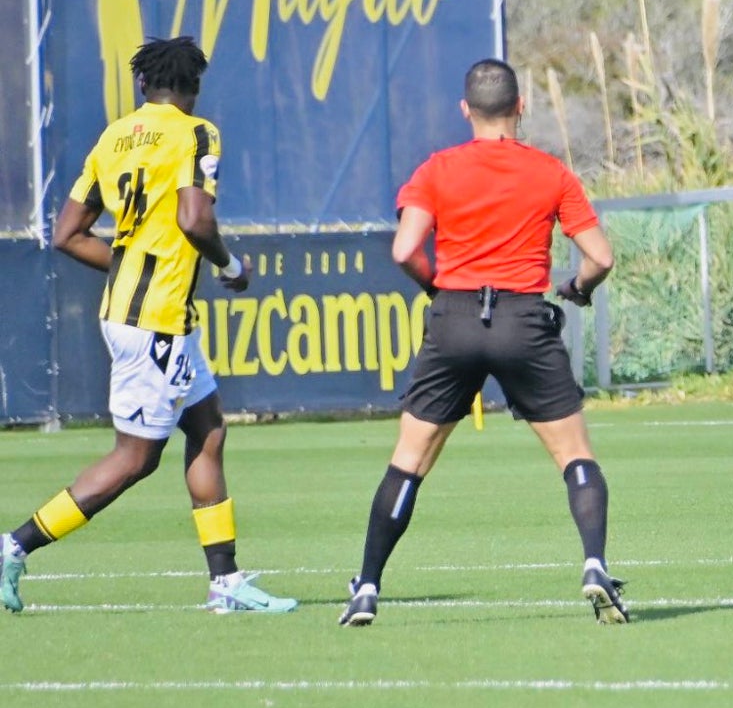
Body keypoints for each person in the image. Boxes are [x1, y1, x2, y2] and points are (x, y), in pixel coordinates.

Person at [0, 37, 296, 614]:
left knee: (208, 428)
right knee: (135, 458)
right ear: (195, 87)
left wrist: (132, 262)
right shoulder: (196, 132)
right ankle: (15, 545)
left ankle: (226, 583)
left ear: (142, 85)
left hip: (133, 311)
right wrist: (232, 267)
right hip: (157, 317)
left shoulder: (113, 138)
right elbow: (194, 217)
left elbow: (66, 234)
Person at [339, 58, 625, 626]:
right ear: (521, 107)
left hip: (454, 316)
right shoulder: (550, 173)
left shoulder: (437, 170)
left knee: (409, 462)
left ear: (465, 110)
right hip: (523, 318)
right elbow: (602, 257)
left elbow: (403, 250)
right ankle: (594, 565)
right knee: (575, 457)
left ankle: (368, 586)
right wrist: (578, 287)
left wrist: (436, 289)